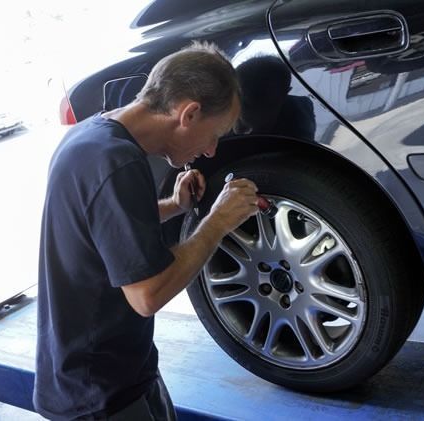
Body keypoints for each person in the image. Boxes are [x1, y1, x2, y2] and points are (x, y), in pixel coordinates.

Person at [33, 41, 260, 420]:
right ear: (189, 113)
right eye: (214, 134)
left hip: (113, 375)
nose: (210, 151)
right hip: (98, 395)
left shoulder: (94, 134)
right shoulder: (115, 162)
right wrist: (216, 221)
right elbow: (147, 295)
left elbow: (105, 227)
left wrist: (174, 207)